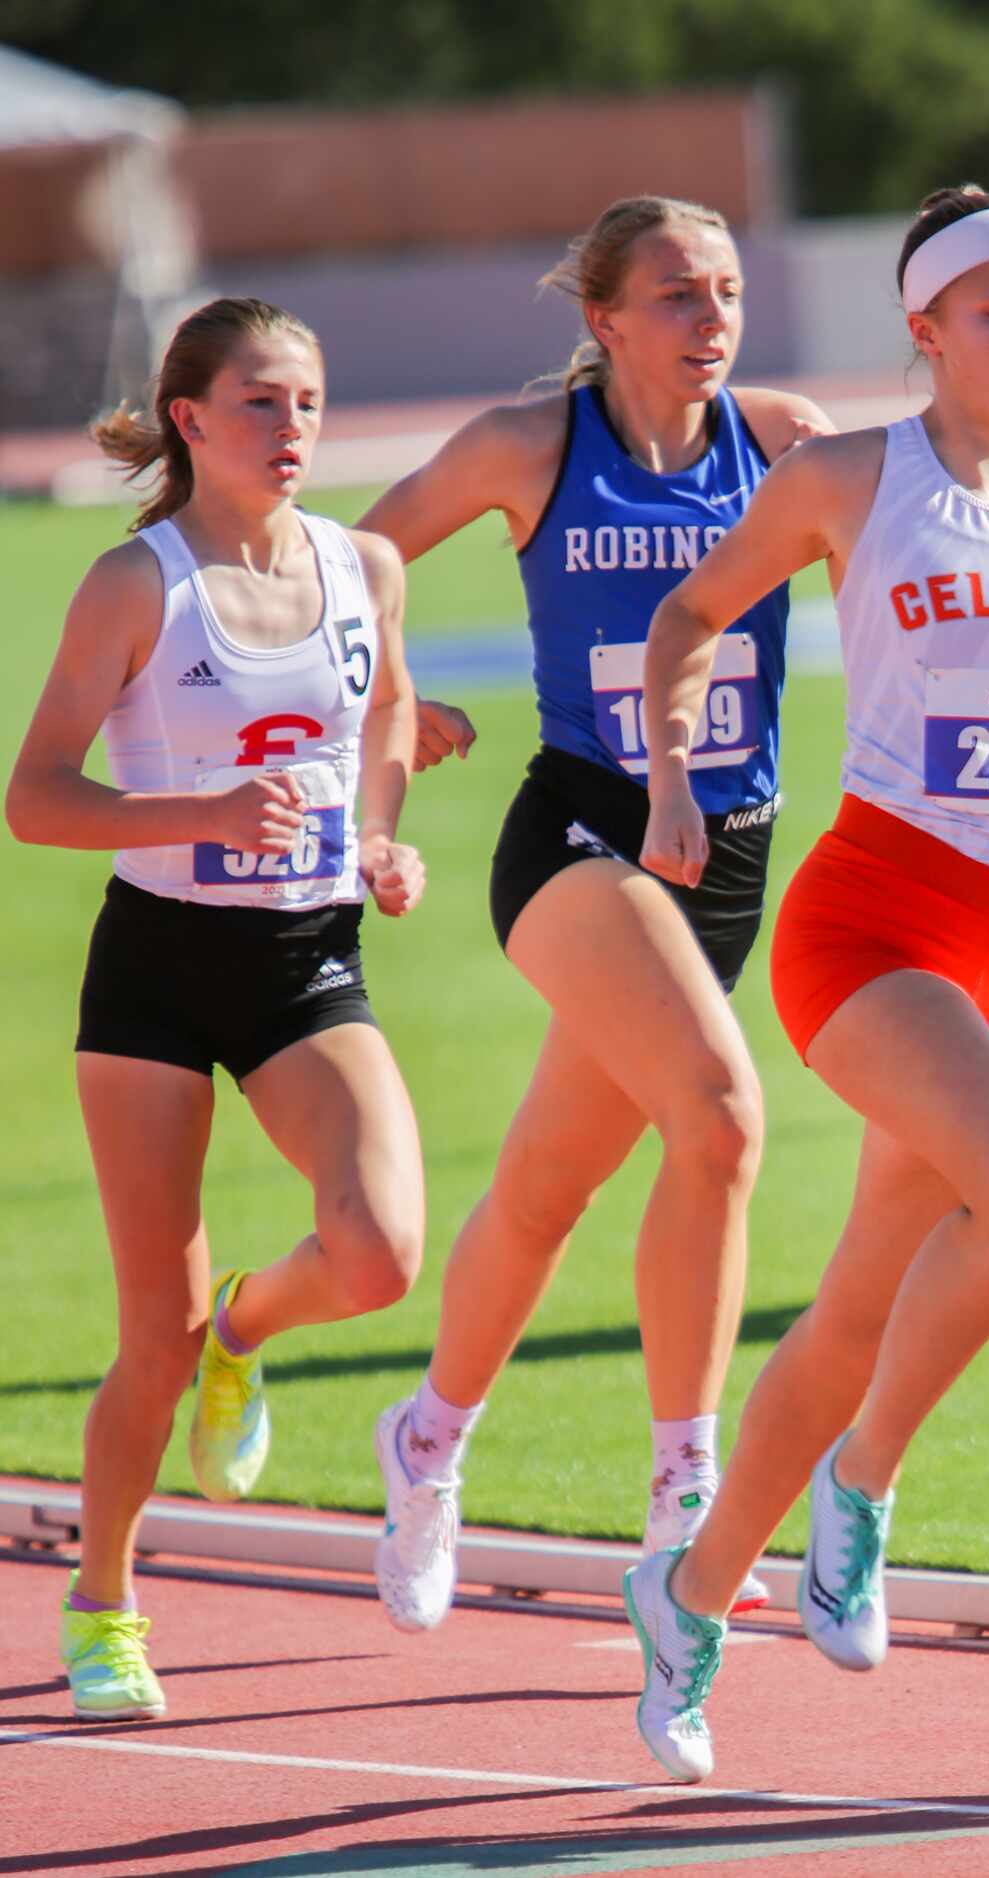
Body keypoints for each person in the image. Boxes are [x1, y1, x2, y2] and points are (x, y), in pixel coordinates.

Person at [621, 183, 989, 1782]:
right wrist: (672, 776)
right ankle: (863, 1484)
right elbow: (688, 612)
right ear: (925, 329)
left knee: (857, 1303)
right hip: (875, 916)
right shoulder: (845, 477)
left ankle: (683, 1595)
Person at [356, 196, 829, 1633]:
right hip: (578, 829)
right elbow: (355, 561)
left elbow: (923, 542)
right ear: (603, 319)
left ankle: (427, 1436)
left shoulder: (785, 439)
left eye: (728, 292)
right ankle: (689, 1489)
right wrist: (396, 697)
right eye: (678, 296)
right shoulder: (533, 447)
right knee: (722, 1114)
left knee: (549, 1184)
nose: (712, 319)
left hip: (724, 856)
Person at [6, 297, 428, 1721]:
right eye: (260, 401)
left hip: (305, 954)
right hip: (159, 968)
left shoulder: (366, 564)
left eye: (306, 400)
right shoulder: (140, 583)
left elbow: (382, 728)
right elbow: (36, 795)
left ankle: (254, 1329)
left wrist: (381, 837)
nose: (292, 427)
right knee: (151, 1332)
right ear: (190, 421)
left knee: (378, 1251)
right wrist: (200, 810)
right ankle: (104, 1602)